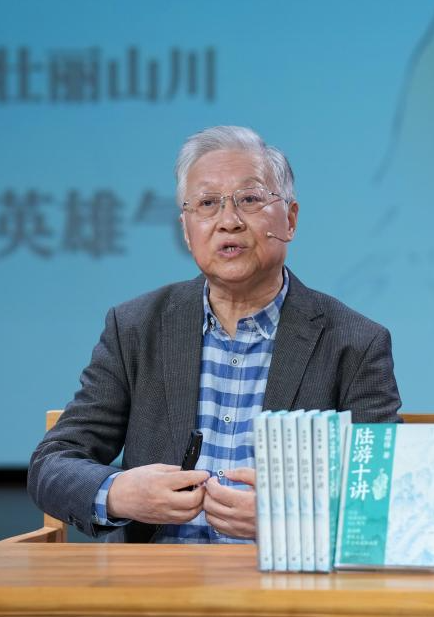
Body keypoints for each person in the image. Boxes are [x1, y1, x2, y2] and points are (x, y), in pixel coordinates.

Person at [28, 125, 401, 543]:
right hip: (154, 580)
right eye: (207, 204)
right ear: (187, 231)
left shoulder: (354, 342)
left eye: (250, 199)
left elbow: (384, 496)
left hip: (282, 581)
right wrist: (118, 493)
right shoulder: (135, 327)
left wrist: (293, 520)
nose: (229, 221)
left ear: (291, 219)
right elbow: (52, 464)